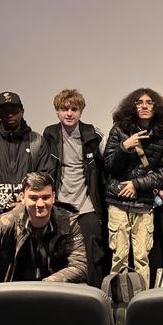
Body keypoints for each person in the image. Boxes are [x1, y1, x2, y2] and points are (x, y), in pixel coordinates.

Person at [0, 171, 87, 286]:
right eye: (33, 198)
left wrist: (46, 285)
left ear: (53, 197)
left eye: (45, 197)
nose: (40, 204)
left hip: (55, 290)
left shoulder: (68, 223)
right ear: (22, 198)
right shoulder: (6, 222)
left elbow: (79, 266)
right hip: (14, 292)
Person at [103, 88, 163, 289]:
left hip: (144, 203)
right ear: (131, 107)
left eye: (149, 102)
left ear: (156, 106)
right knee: (119, 257)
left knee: (142, 259)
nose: (144, 105)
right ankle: (117, 306)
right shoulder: (119, 130)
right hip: (118, 202)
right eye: (139, 102)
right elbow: (109, 166)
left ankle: (142, 302)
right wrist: (124, 147)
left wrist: (136, 184)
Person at [43, 89, 108, 286]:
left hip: (88, 207)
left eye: (74, 109)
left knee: (93, 259)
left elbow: (108, 166)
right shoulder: (50, 135)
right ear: (57, 111)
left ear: (81, 111)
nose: (69, 113)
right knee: (61, 259)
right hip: (60, 208)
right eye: (64, 109)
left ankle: (95, 302)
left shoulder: (93, 135)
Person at [0, 91, 53, 225]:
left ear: (22, 111)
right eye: (4, 111)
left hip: (31, 213)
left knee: (30, 246)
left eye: (14, 110)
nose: (9, 114)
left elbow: (44, 177)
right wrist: (5, 205)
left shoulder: (37, 142)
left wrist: (24, 203)